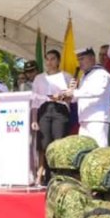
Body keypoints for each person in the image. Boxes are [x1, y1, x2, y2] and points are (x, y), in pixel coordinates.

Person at [32, 50, 75, 183]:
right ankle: (46, 175)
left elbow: (73, 97)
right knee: (44, 144)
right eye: (47, 59)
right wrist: (34, 119)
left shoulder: (66, 76)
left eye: (53, 59)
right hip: (44, 109)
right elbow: (35, 100)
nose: (49, 62)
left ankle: (60, 174)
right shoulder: (39, 78)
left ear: (58, 61)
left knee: (59, 142)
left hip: (60, 109)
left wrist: (64, 96)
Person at [60, 48, 110, 148]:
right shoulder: (84, 76)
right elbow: (80, 97)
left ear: (92, 58)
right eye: (78, 60)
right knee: (85, 149)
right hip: (84, 119)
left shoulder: (101, 73)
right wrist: (69, 95)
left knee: (99, 148)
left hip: (97, 118)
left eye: (82, 59)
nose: (80, 62)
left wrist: (74, 93)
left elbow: (97, 91)